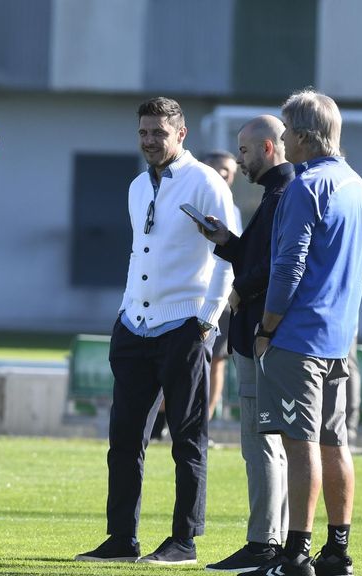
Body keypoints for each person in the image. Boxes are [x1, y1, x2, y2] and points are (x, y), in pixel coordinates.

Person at [75, 96, 237, 566]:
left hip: (184, 327)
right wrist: (125, 311)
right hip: (134, 326)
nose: (149, 140)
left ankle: (184, 541)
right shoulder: (135, 186)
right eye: (143, 132)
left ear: (180, 134)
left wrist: (206, 320)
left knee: (187, 439)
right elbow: (139, 254)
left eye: (158, 133)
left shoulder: (206, 182)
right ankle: (122, 539)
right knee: (124, 439)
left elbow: (230, 253)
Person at [242, 90, 362, 576]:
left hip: (299, 339)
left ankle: (296, 553)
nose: (281, 138)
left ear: (299, 135)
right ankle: (337, 551)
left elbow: (289, 266)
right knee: (334, 444)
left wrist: (267, 326)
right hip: (342, 339)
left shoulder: (305, 186)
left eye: (285, 130)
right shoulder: (358, 185)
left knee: (299, 447)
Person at [195, 115, 294, 572]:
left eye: (246, 151)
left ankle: (263, 544)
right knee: (263, 439)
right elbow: (259, 257)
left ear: (269, 149)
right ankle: (270, 540)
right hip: (258, 333)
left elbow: (278, 265)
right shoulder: (274, 195)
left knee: (260, 440)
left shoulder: (283, 194)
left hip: (260, 335)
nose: (239, 158)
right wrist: (227, 242)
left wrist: (240, 291)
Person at [202, 150, 239, 421]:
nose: (226, 175)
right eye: (220, 169)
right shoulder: (195, 201)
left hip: (223, 295)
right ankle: (164, 421)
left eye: (231, 172)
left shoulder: (233, 208)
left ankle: (205, 419)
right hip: (194, 292)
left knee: (217, 361)